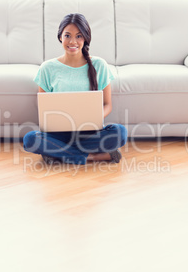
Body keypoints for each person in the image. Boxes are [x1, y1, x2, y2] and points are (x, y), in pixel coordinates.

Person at [23, 13, 127, 165]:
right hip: (58, 133)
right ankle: (92, 157)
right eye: (67, 35)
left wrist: (93, 117)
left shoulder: (99, 65)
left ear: (85, 38)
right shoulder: (47, 68)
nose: (73, 41)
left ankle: (59, 154)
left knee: (120, 133)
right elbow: (43, 107)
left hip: (89, 132)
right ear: (60, 37)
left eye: (79, 36)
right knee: (30, 139)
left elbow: (107, 104)